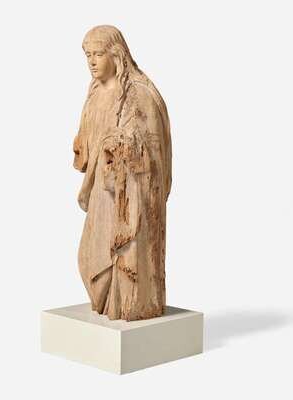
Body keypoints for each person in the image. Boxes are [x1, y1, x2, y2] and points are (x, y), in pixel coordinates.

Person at [73, 25, 172, 321]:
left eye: (98, 54)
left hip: (128, 197)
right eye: (88, 55)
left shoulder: (138, 93)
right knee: (89, 257)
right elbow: (87, 142)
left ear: (116, 55)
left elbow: (153, 145)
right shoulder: (95, 93)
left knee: (120, 256)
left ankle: (129, 306)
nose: (92, 62)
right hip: (101, 189)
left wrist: (122, 145)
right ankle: (107, 304)